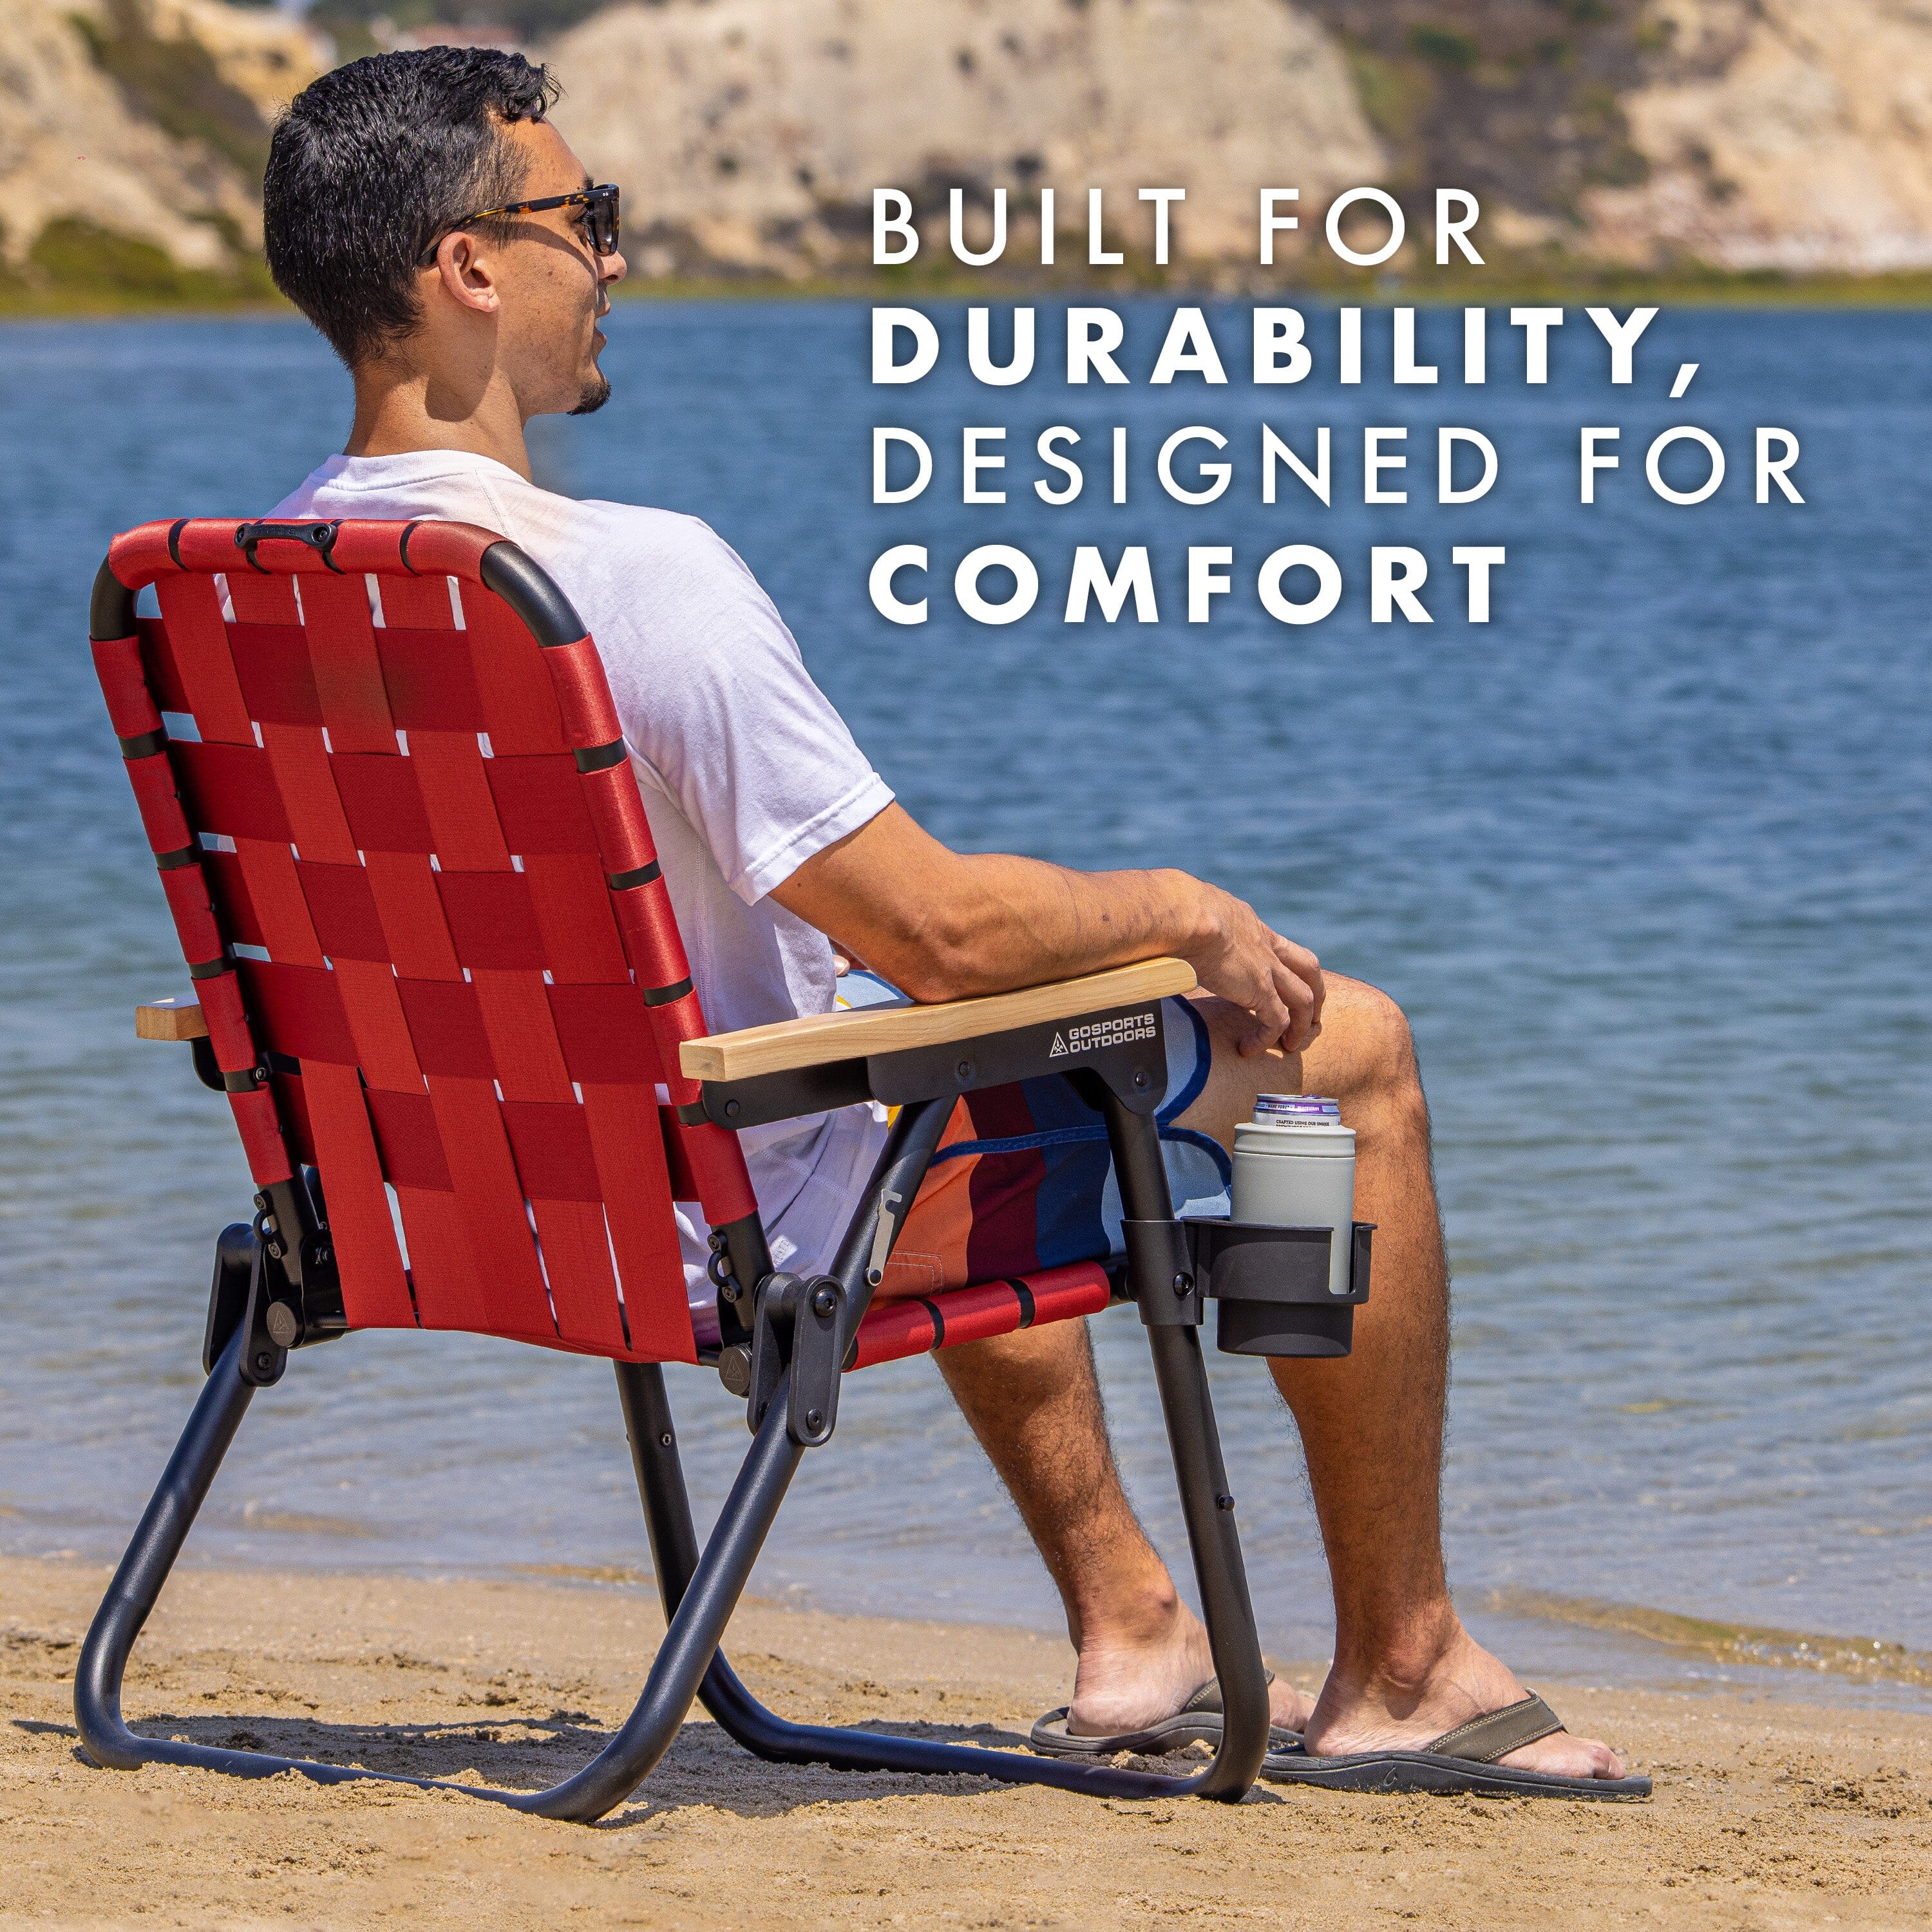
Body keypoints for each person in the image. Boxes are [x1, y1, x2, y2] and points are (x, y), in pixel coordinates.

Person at [259, 46, 1629, 1789]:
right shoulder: (624, 578)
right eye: (580, 219)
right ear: (464, 267)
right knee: (1334, 1061)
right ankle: (1406, 1664)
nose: (609, 261)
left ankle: (1137, 1627)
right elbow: (951, 944)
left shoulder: (267, 578)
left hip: (448, 1215)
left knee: (920, 1019)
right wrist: (1185, 911)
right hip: (731, 1227)